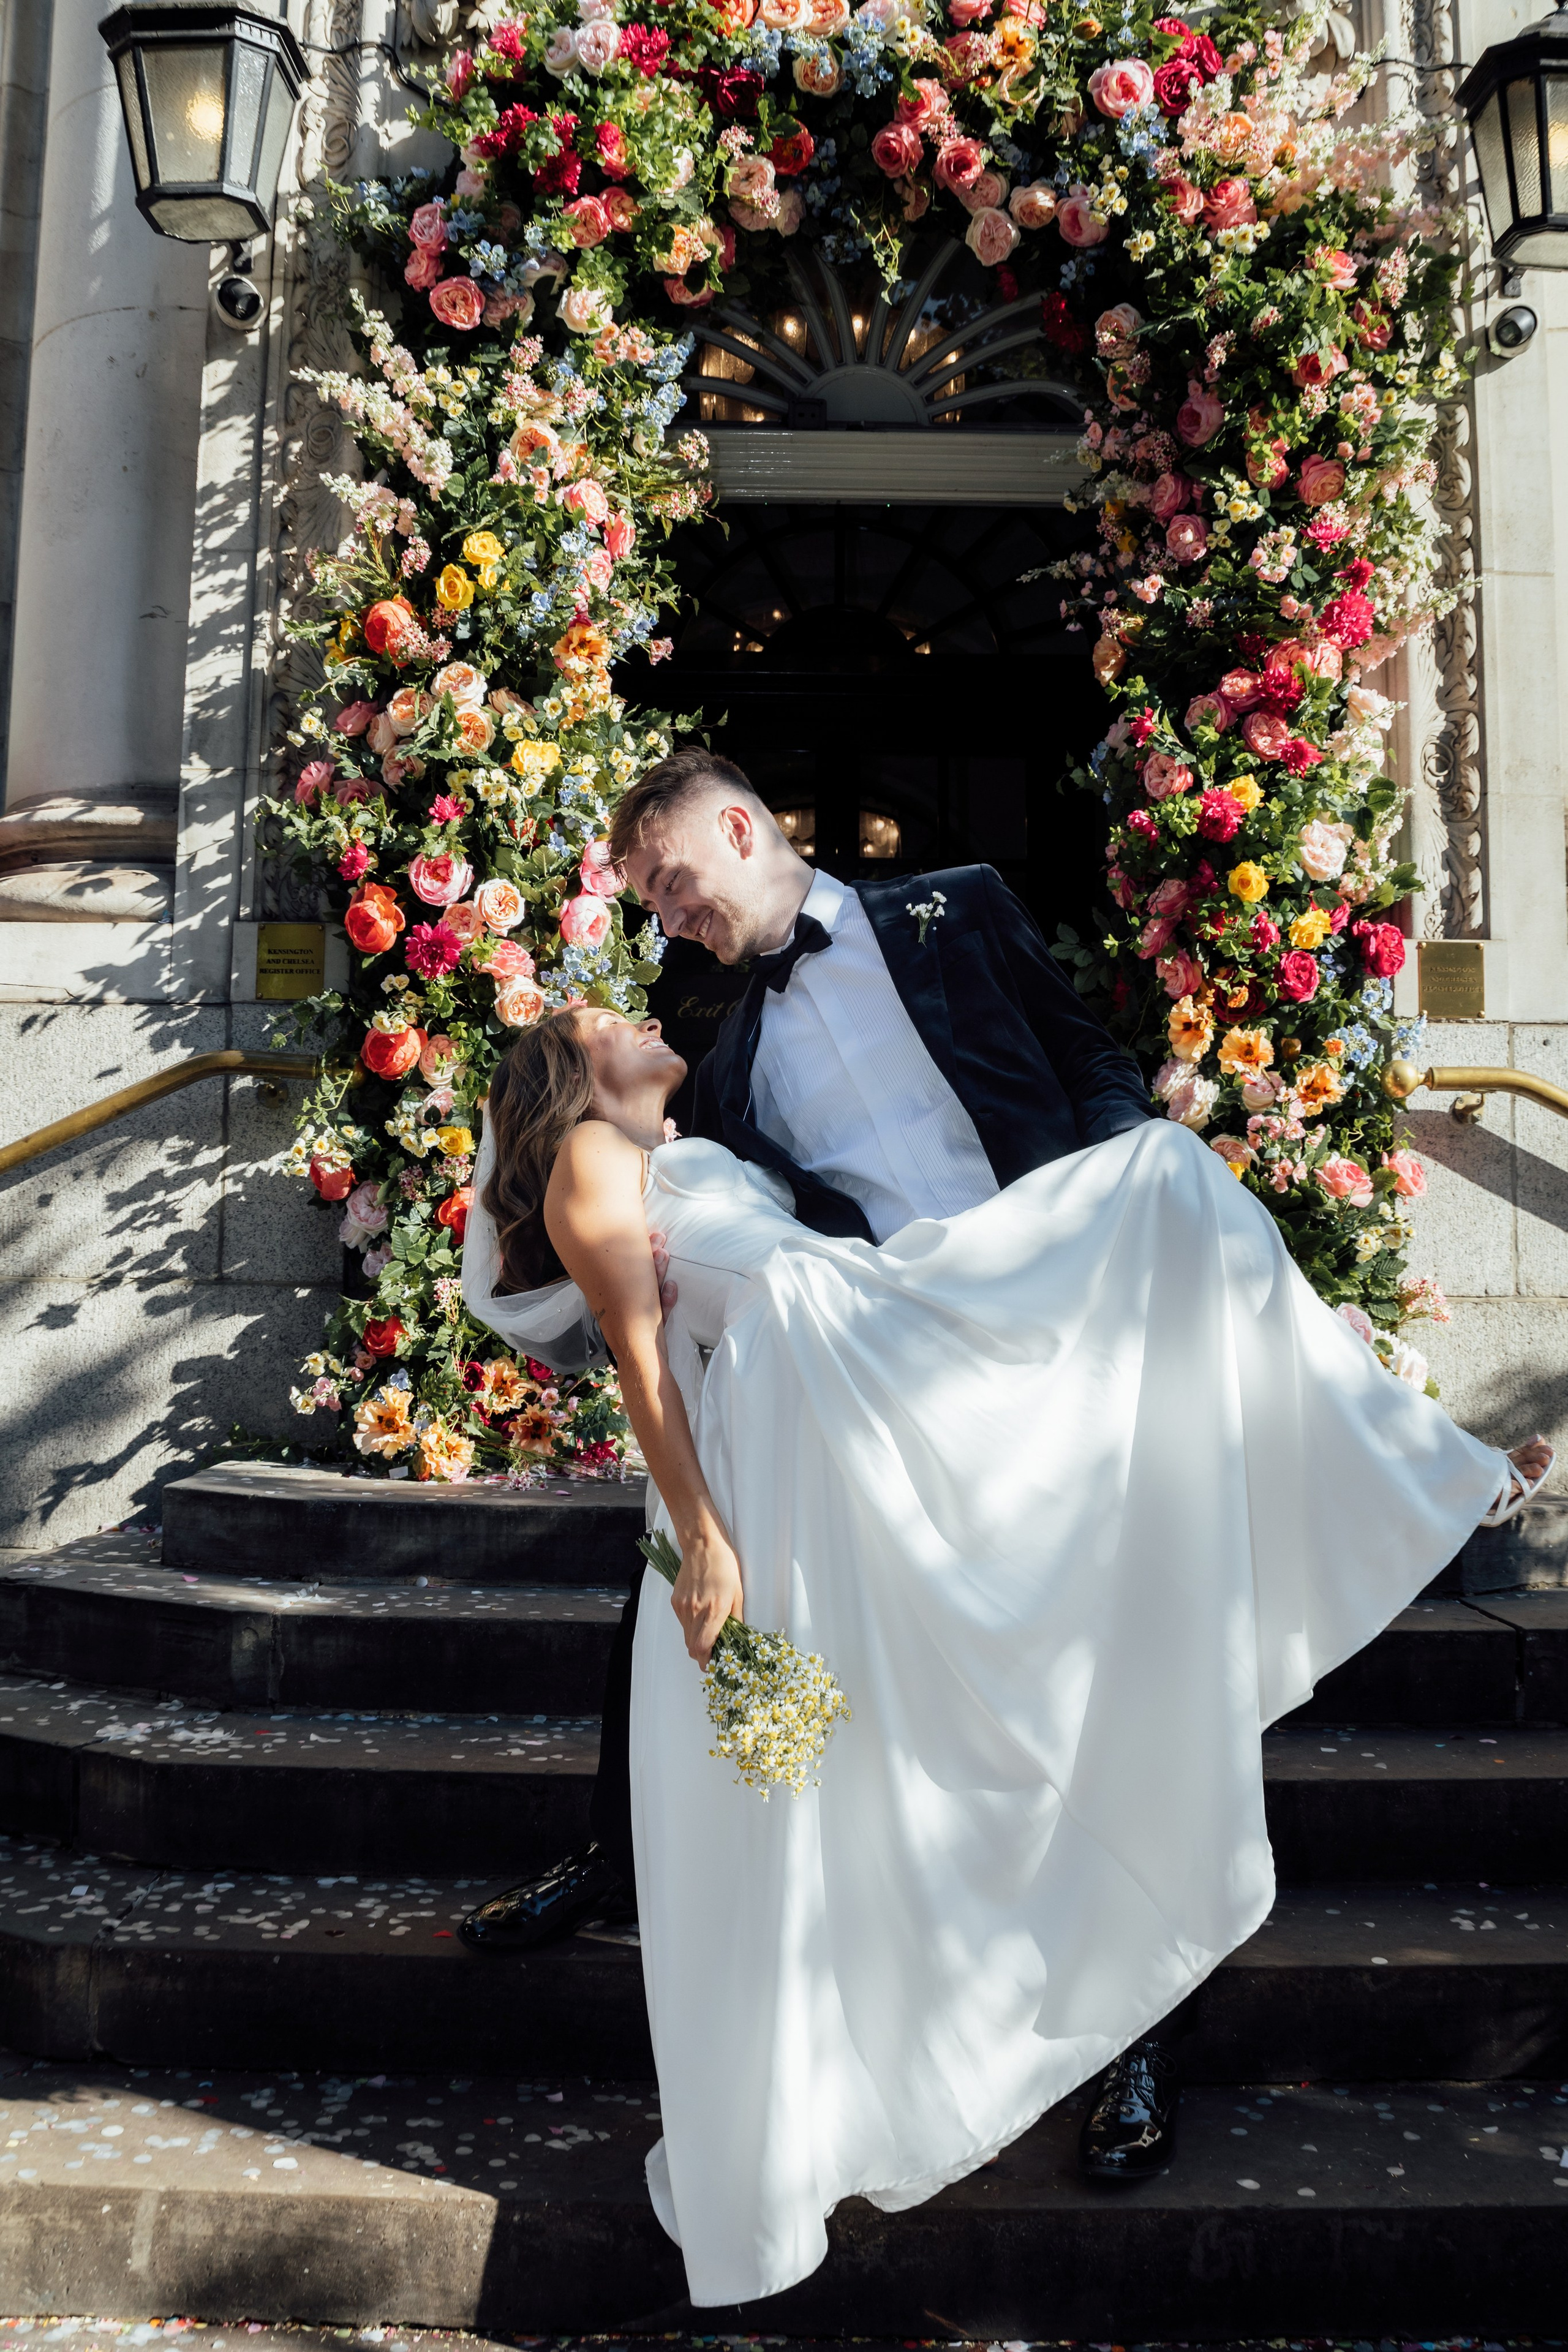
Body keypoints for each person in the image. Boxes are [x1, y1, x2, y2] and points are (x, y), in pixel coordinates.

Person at [458, 748, 1548, 2193]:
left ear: (738, 827)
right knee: (884, 1664)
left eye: (673, 883)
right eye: (650, 904)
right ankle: (628, 1851)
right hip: (917, 1374)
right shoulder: (716, 1071)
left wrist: (1101, 1221)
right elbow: (658, 1269)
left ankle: (1137, 2046)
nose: (671, 922)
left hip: (1061, 1324)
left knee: (1142, 1664)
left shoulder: (956, 909)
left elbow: (1085, 1061)